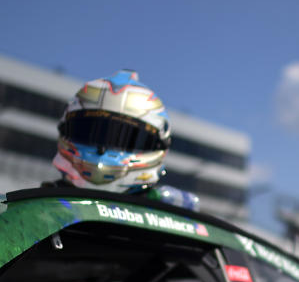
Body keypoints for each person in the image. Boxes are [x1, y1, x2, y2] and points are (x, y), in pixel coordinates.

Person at [48, 68, 199, 210]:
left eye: (124, 138)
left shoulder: (171, 215)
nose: (103, 151)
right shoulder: (41, 205)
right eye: (90, 132)